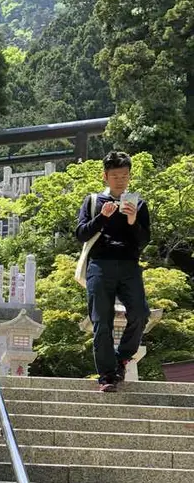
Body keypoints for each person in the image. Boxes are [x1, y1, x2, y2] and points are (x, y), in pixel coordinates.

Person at [76, 151, 151, 393]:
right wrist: (101, 217)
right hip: (100, 265)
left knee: (140, 313)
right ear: (105, 176)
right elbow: (81, 234)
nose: (120, 180)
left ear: (129, 177)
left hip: (129, 266)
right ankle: (107, 376)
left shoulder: (138, 204)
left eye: (125, 175)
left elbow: (144, 240)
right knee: (102, 321)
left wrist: (132, 222)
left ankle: (122, 357)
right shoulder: (92, 200)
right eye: (115, 175)